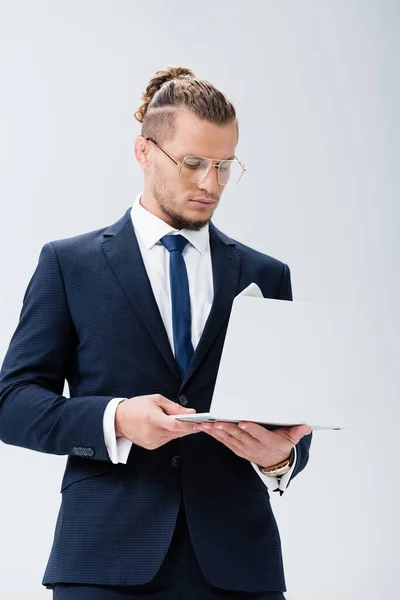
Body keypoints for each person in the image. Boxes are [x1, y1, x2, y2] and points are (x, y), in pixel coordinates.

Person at [0, 66, 312, 600]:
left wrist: (278, 458)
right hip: (105, 561)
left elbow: (288, 421)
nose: (210, 184)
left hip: (239, 566)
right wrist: (116, 418)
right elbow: (13, 403)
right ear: (145, 152)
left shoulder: (267, 275)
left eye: (223, 166)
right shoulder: (68, 264)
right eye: (193, 163)